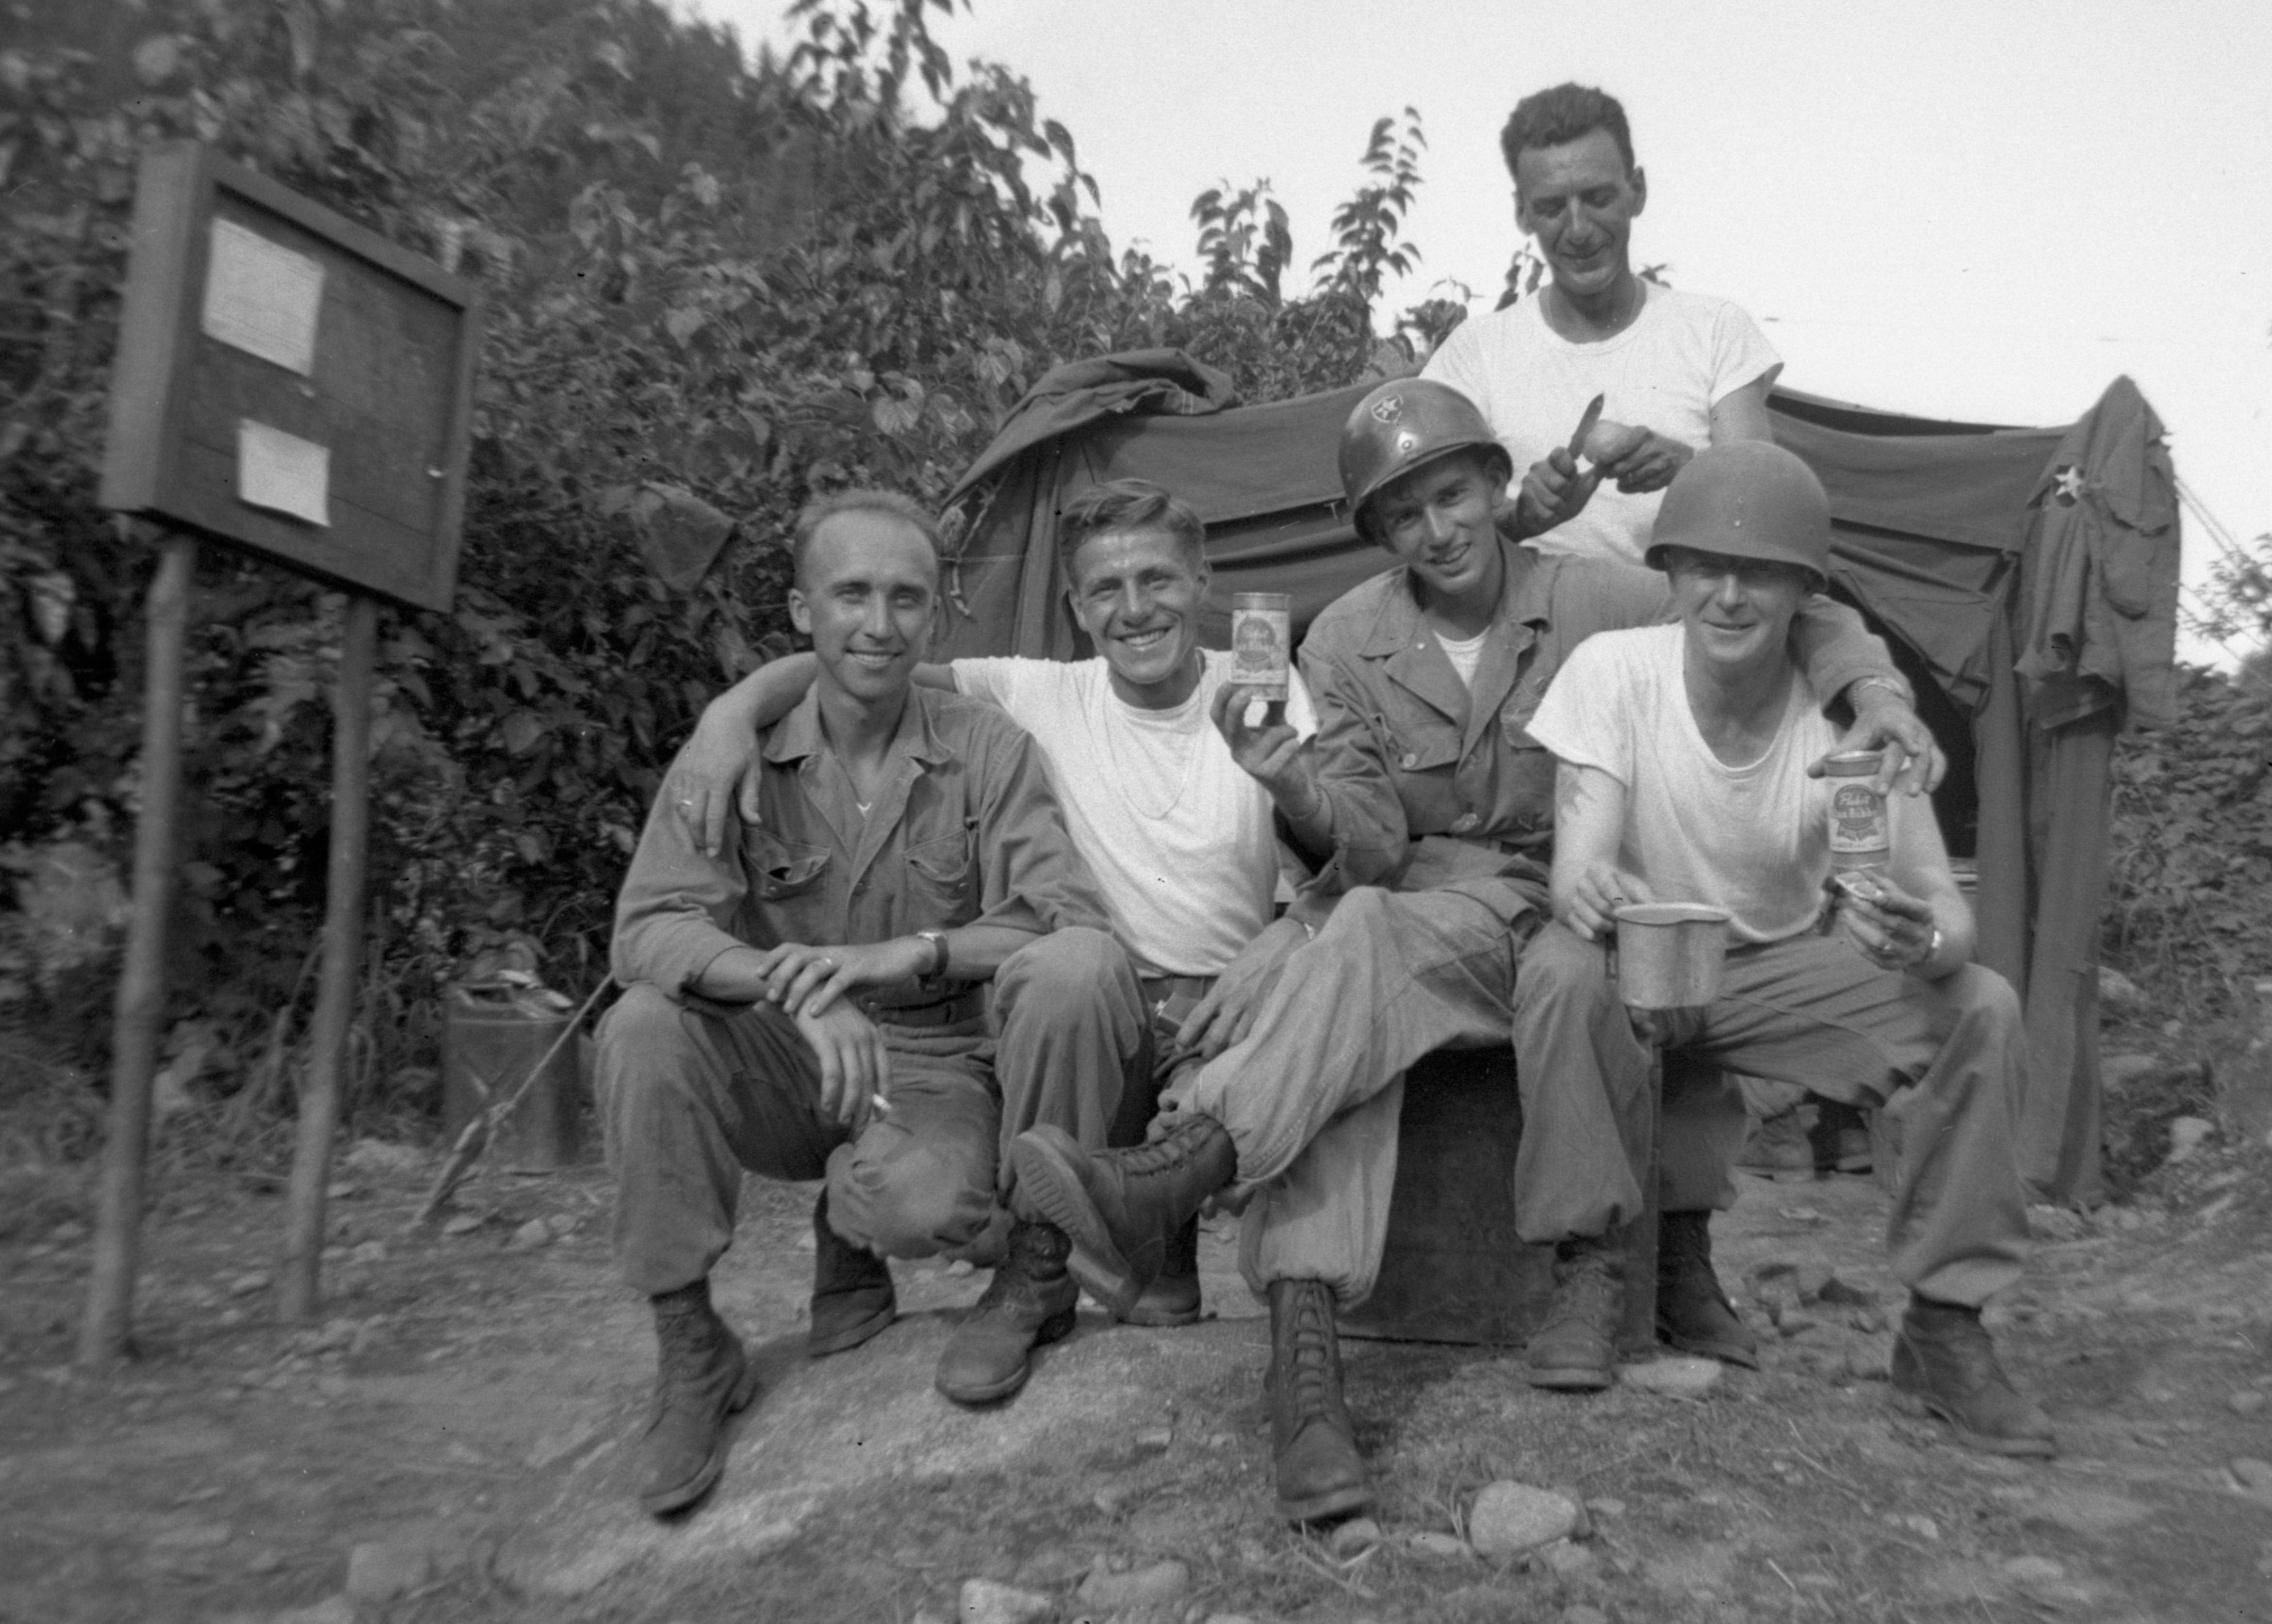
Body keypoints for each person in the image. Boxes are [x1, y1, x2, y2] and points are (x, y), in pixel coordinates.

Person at [1005, 380, 1940, 1524]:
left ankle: (1184, 1167)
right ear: (1377, 534)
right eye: (1402, 514)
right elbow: (1371, 838)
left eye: (1452, 495)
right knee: (1352, 927)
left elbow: (1780, 601)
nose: (1436, 532)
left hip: (1579, 899)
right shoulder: (1347, 634)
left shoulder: (1598, 595)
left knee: (1358, 938)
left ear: (1500, 488)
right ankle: (1269, 1311)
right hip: (1432, 911)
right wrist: (1289, 778)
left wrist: (1881, 694)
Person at [666, 479, 1353, 1325]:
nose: (1135, 609)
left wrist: (1291, 840)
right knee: (1070, 986)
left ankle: (1187, 1235)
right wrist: (732, 714)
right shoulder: (1043, 693)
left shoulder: (1259, 685)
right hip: (1097, 1016)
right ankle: (1035, 1268)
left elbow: (1329, 861)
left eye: (1160, 580)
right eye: (1107, 588)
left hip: (1226, 1006)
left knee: (1168, 1297)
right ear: (1076, 606)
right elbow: (864, 660)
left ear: (1202, 584)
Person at [600, 489, 1146, 1517]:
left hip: (935, 1065)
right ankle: (691, 1347)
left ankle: (899, 1246)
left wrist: (913, 953)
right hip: (783, 1055)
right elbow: (651, 929)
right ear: (802, 612)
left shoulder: (985, 748)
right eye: (850, 595)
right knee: (641, 1026)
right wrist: (787, 985)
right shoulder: (735, 753)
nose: (878, 625)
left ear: (938, 616)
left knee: (931, 1202)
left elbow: (1060, 918)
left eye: (906, 598)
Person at [1525, 440, 2053, 1457]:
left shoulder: (1851, 724)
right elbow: (1574, 868)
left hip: (1773, 973)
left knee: (1979, 1005)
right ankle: (1592, 1267)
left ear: (1804, 592)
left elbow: (1948, 908)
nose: (1729, 595)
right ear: (1670, 576)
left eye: (1760, 571)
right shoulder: (1615, 674)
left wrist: (1923, 937)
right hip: (1642, 956)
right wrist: (1594, 892)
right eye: (1705, 569)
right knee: (1556, 963)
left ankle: (1945, 1328)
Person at [1423, 81, 1781, 568]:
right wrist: (1522, 519)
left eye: (1597, 198)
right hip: (1535, 632)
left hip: (1682, 625)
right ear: (1522, 213)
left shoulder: (1716, 331)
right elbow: (1433, 539)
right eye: (1551, 208)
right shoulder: (1473, 355)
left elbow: (1771, 508)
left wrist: (1689, 470)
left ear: (1638, 192)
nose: (1578, 230)